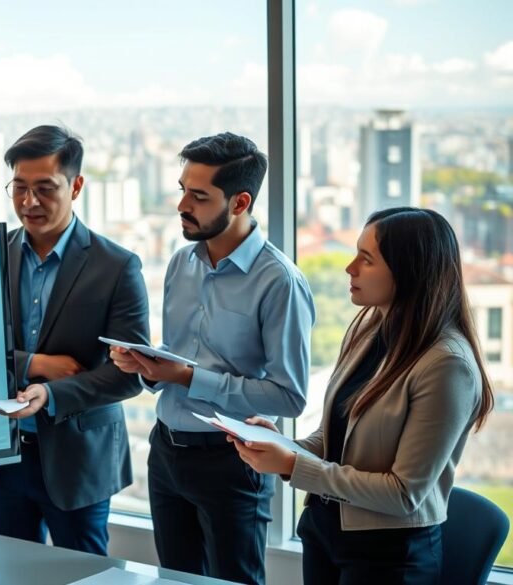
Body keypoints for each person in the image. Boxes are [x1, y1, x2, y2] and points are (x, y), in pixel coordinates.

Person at [232, 207, 493, 584]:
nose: (349, 268)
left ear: (409, 270)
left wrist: (292, 465)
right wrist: (280, 445)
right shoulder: (370, 332)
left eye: (366, 259)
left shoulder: (447, 365)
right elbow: (336, 437)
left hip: (389, 556)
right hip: (325, 531)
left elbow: (403, 494)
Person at [109, 132, 315, 584]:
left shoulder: (279, 282)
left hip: (232, 463)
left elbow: (290, 397)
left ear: (240, 203)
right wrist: (148, 368)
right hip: (166, 453)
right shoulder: (181, 263)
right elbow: (178, 359)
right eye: (183, 189)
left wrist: (186, 376)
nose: (182, 205)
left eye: (199, 196)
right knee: (175, 580)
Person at [0, 125, 150, 555]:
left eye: (44, 188)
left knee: (86, 574)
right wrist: (36, 364)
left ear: (76, 186)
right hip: (4, 454)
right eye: (19, 188)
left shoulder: (116, 266)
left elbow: (129, 376)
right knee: (8, 572)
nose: (28, 202)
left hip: (78, 459)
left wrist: (51, 393)